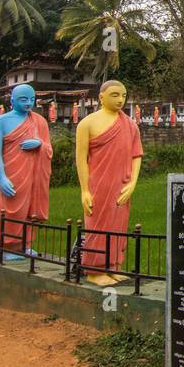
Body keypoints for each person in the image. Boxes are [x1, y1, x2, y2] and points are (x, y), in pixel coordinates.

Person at [76, 80, 143, 286]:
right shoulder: (87, 123)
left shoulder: (130, 125)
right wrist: (85, 190)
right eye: (114, 95)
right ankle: (95, 270)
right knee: (97, 224)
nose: (120, 99)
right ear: (101, 97)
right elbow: (81, 159)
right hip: (99, 184)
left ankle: (113, 266)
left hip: (122, 184)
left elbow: (136, 155)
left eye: (123, 95)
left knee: (119, 225)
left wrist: (132, 183)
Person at [0, 83, 53, 254]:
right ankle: (8, 246)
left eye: (32, 99)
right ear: (12, 100)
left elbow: (48, 148)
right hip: (11, 173)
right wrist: (1, 177)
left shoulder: (39, 122)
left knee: (29, 209)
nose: (28, 103)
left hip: (33, 172)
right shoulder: (1, 121)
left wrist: (40, 144)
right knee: (10, 209)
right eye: (23, 99)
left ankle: (26, 245)